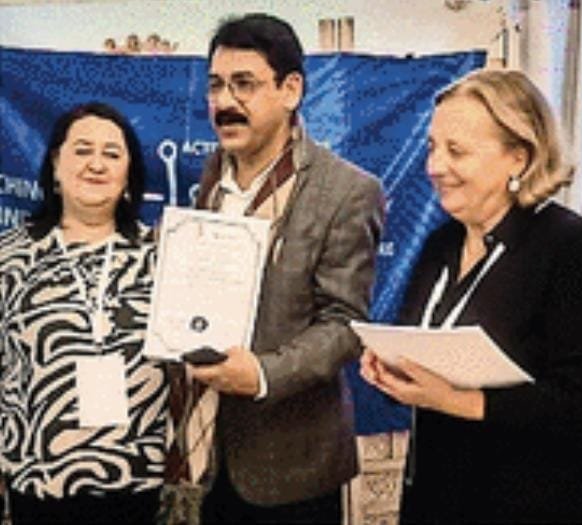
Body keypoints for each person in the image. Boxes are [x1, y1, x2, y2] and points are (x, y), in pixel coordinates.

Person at [361, 69, 582, 523]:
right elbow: (424, 360)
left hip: (533, 503)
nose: (434, 166)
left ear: (518, 158)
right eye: (432, 147)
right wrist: (394, 373)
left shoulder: (571, 247)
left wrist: (460, 401)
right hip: (437, 496)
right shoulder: (441, 244)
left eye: (457, 151)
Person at [184, 13, 384, 525]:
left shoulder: (347, 191)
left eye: (244, 84)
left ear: (290, 89)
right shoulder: (211, 176)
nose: (225, 102)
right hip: (208, 455)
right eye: (216, 85)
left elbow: (344, 325)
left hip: (294, 468)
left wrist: (261, 375)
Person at [0, 102, 168, 524]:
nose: (96, 164)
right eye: (82, 150)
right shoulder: (10, 257)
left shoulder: (163, 256)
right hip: (38, 481)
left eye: (112, 153)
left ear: (129, 173)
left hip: (141, 482)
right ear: (56, 164)